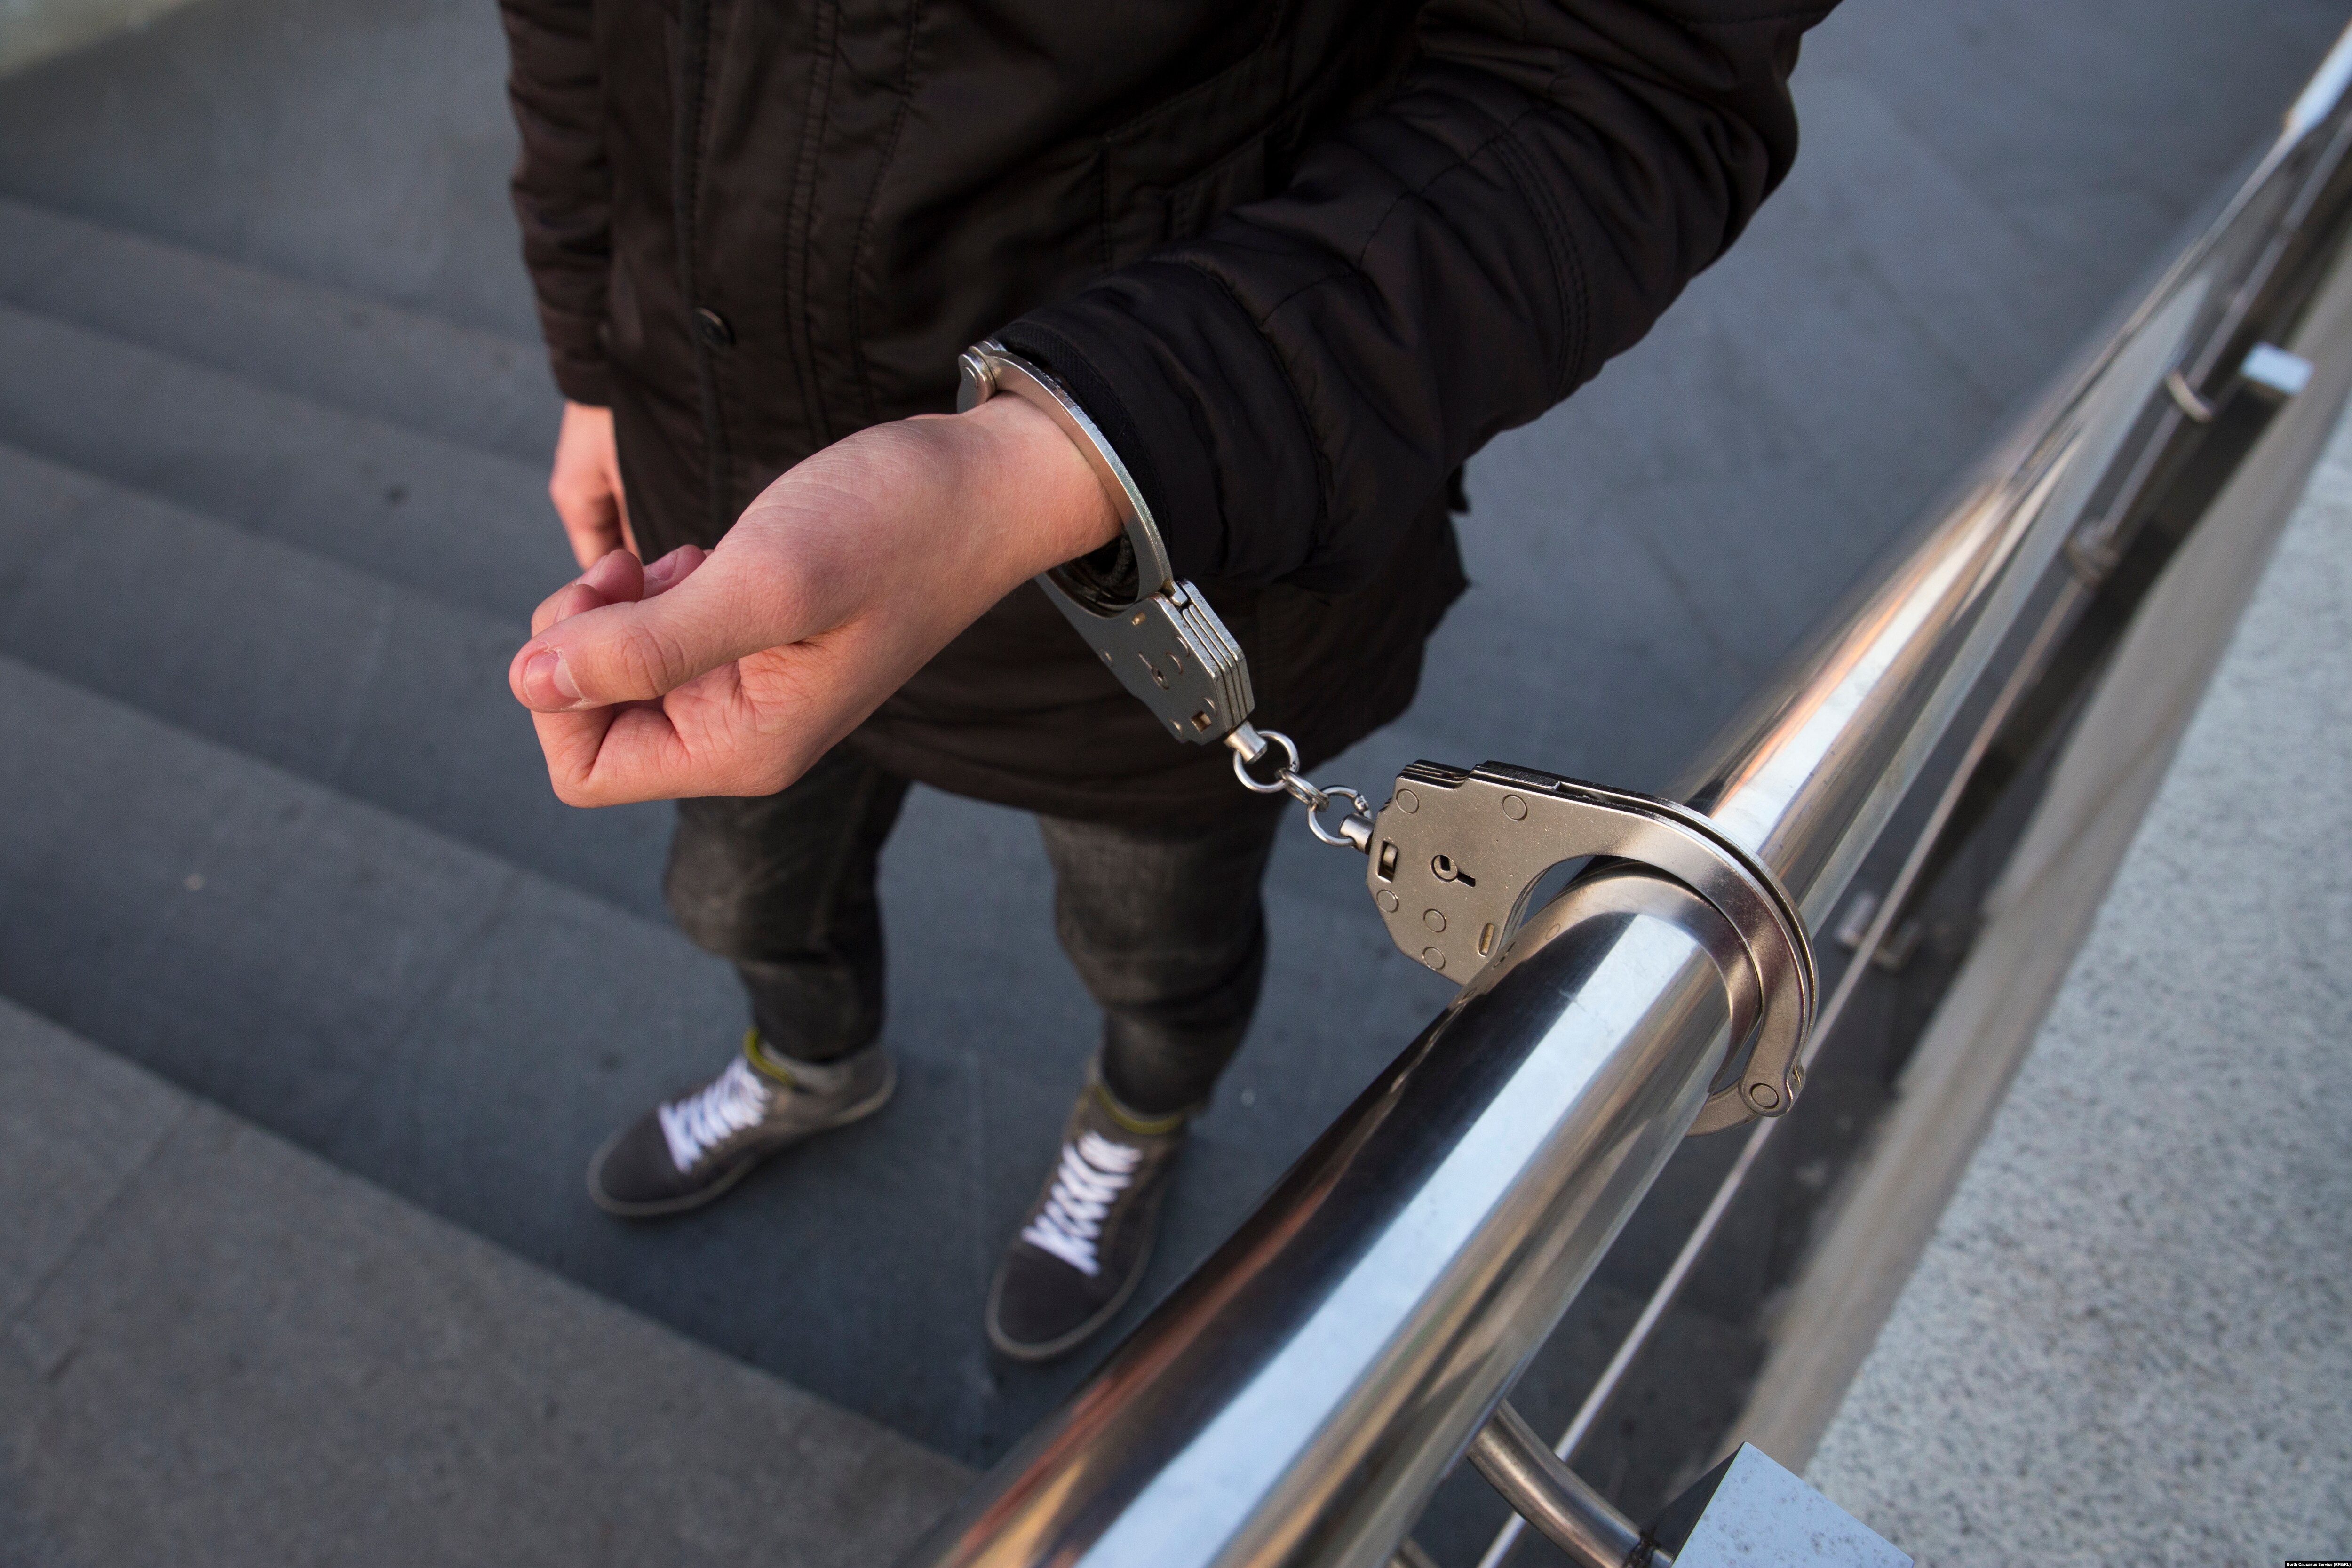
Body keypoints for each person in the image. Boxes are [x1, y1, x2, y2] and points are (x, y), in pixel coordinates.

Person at [498, 0, 1836, 1361]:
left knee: (1154, 955)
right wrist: (590, 353)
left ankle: (1134, 1126)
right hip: (724, 519)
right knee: (739, 895)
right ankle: (809, 1062)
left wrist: (1032, 475)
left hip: (1162, 553)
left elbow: (1629, 74)